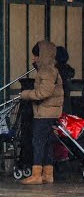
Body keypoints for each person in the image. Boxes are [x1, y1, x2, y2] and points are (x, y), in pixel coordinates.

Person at [10, 41, 64, 185]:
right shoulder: (51, 70)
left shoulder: (46, 71)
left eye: (35, 56)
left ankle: (36, 174)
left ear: (42, 56)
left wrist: (26, 94)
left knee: (37, 142)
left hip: (44, 113)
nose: (33, 59)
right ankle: (48, 174)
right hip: (51, 112)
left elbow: (44, 92)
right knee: (47, 144)